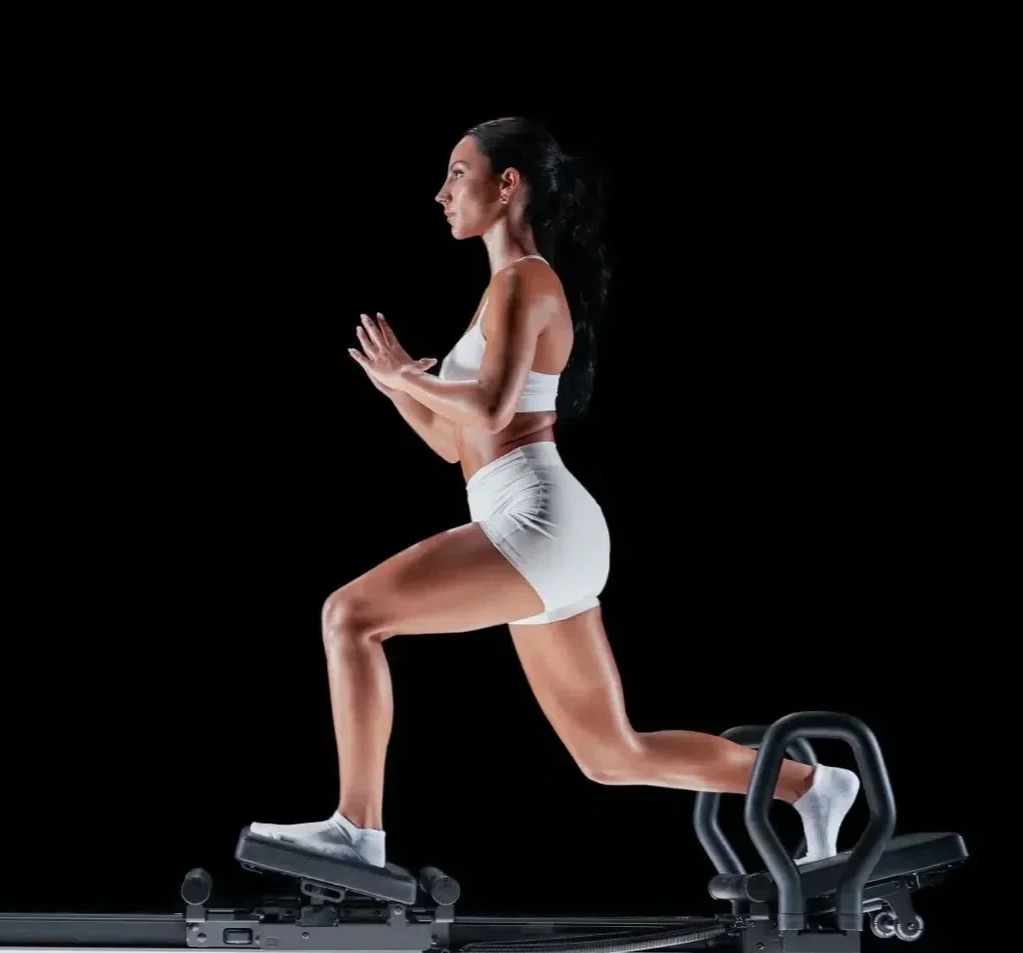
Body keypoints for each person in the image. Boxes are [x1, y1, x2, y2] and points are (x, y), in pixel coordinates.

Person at [249, 117, 859, 869]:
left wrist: (412, 376)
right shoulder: (504, 289)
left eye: (457, 174)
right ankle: (810, 786)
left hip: (534, 520)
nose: (441, 193)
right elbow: (456, 443)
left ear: (508, 186)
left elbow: (491, 410)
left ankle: (357, 830)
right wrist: (396, 388)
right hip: (541, 526)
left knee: (349, 616)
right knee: (609, 752)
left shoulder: (524, 280)